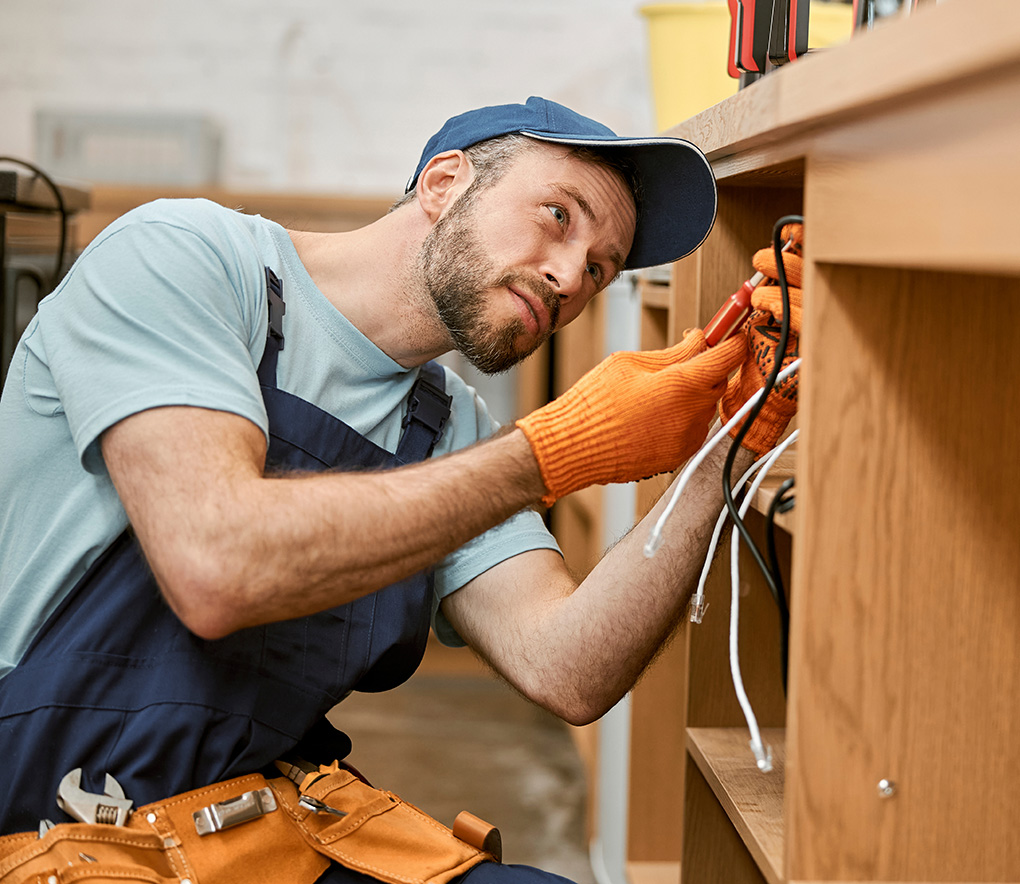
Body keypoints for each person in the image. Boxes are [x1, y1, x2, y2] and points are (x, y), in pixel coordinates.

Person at [0, 97, 799, 882]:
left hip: (246, 833)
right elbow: (215, 564)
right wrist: (558, 450)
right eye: (558, 215)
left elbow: (567, 667)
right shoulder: (189, 261)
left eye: (600, 268)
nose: (568, 277)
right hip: (40, 830)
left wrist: (727, 452)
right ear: (444, 183)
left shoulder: (447, 424)